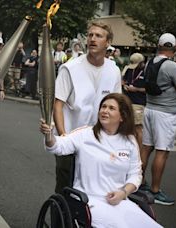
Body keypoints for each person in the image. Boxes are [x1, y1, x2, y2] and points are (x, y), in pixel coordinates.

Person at [40, 93, 162, 228]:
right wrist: (49, 134)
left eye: (111, 108)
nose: (105, 111)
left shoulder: (129, 141)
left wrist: (123, 192)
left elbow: (136, 175)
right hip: (89, 201)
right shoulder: (85, 134)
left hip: (120, 202)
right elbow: (57, 146)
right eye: (103, 107)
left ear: (122, 116)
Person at [53, 21, 121, 194]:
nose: (92, 39)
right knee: (66, 184)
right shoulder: (70, 68)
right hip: (70, 135)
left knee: (93, 187)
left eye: (98, 36)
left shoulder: (113, 70)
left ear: (108, 42)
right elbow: (57, 104)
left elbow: (116, 105)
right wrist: (63, 138)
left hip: (97, 139)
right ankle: (60, 218)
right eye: (90, 35)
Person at [140, 33, 176, 205]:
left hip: (149, 109)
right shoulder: (172, 67)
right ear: (174, 48)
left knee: (146, 148)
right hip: (165, 113)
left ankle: (138, 183)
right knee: (162, 151)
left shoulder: (149, 63)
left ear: (158, 46)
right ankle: (155, 190)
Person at [122, 53, 146, 150]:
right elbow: (123, 80)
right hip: (127, 101)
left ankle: (139, 151)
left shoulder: (145, 72)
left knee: (138, 128)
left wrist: (136, 89)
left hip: (138, 102)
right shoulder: (129, 69)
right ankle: (129, 149)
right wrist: (124, 85)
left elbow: (147, 89)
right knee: (127, 127)